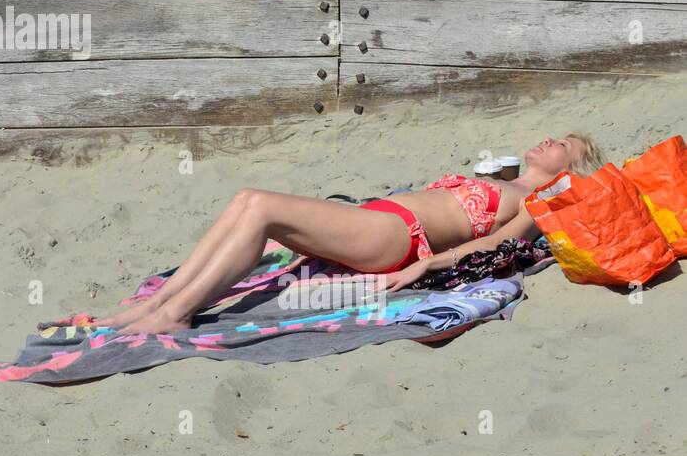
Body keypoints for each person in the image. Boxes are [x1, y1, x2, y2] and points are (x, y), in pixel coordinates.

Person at [64, 135, 604, 335]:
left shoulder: (536, 201)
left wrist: (428, 266)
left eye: (564, 145)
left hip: (395, 238)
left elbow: (494, 245)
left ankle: (174, 313)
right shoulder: (504, 179)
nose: (549, 140)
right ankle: (160, 302)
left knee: (260, 207)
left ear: (568, 171)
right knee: (245, 202)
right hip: (377, 218)